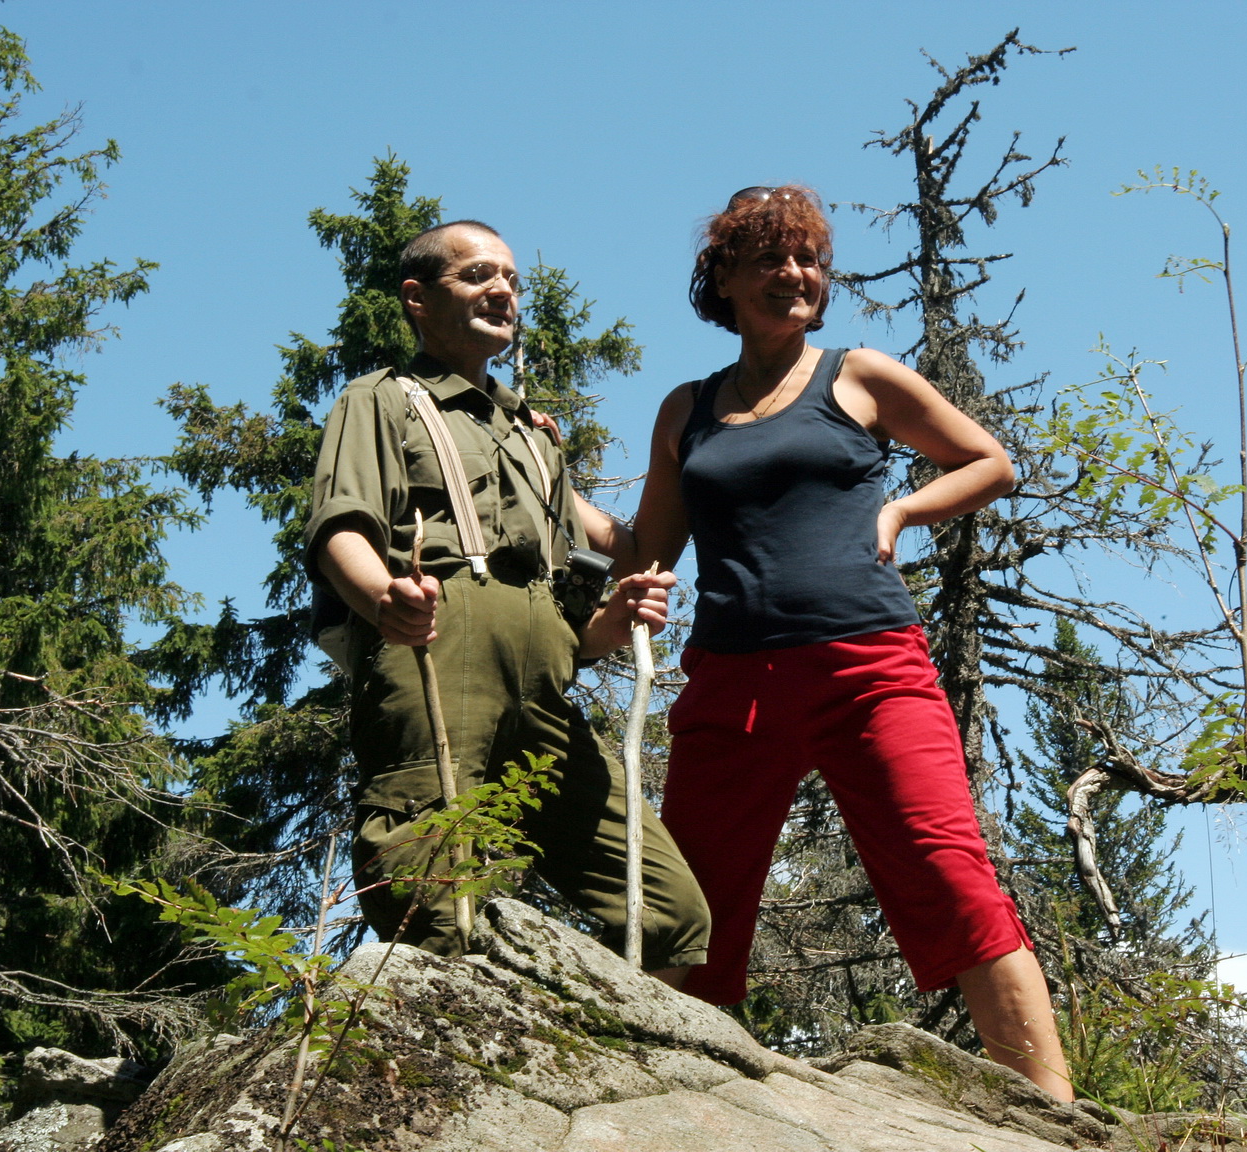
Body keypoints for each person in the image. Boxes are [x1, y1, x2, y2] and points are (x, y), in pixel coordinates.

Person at [619, 186, 1074, 1098]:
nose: (795, 274)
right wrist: (543, 486)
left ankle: (1057, 1117)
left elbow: (990, 462)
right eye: (770, 258)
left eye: (809, 260)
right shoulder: (686, 411)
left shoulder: (857, 376)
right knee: (690, 905)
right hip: (733, 684)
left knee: (950, 875)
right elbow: (647, 551)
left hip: (868, 666)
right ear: (723, 277)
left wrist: (900, 510)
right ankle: (668, 1105)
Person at [303, 219, 708, 980]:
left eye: (512, 279)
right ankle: (442, 1045)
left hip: (547, 681)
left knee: (667, 912)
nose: (502, 290)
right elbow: (341, 527)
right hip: (437, 649)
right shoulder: (383, 400)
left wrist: (612, 622)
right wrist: (383, 596)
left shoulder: (534, 435)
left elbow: (590, 586)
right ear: (418, 299)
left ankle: (613, 1049)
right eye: (477, 275)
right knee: (435, 892)